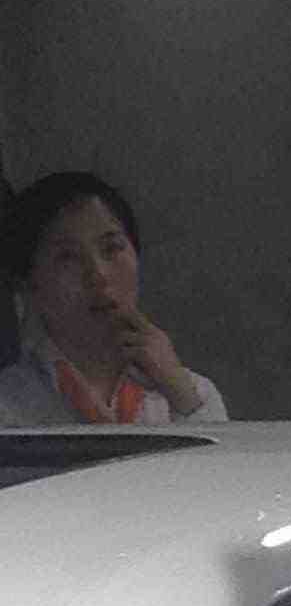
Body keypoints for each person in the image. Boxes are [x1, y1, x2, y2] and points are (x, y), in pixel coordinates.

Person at [0, 172, 225, 426]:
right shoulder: (8, 404)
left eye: (112, 248)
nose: (98, 274)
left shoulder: (193, 394)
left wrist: (182, 397)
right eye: (68, 257)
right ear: (28, 283)